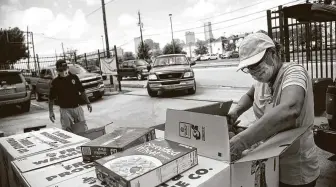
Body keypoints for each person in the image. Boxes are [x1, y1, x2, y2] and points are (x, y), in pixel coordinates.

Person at [228, 33, 320, 187]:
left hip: (296, 169)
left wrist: (240, 142)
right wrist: (236, 111)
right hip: (270, 163)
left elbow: (290, 109)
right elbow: (251, 95)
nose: (252, 71)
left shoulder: (293, 72)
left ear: (272, 53)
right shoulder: (264, 80)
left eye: (256, 64)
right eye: (248, 68)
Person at [49, 59, 92, 133]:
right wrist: (51, 112)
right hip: (65, 110)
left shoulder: (74, 77)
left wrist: (88, 102)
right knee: (68, 132)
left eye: (65, 68)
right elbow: (51, 98)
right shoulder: (55, 82)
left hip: (77, 108)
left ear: (67, 68)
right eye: (61, 69)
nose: (63, 71)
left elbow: (82, 91)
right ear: (57, 70)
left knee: (82, 130)